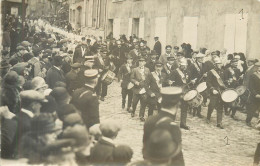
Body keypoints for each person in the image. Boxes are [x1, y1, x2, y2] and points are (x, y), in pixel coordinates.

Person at [143, 86, 185, 166]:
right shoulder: (172, 126)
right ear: (178, 103)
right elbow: (177, 157)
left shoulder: (149, 120)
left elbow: (145, 148)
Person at [169, 58, 197, 130]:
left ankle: (183, 123)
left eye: (185, 66)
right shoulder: (174, 72)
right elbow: (169, 81)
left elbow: (188, 81)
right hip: (177, 92)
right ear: (179, 65)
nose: (184, 67)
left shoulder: (188, 72)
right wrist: (169, 82)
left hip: (185, 92)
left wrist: (192, 81)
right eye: (182, 66)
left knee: (184, 108)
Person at [206, 57, 226, 129]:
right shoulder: (211, 72)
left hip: (221, 91)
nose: (220, 65)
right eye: (218, 64)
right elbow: (208, 82)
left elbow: (224, 81)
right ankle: (208, 117)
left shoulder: (223, 71)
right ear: (215, 64)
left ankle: (219, 122)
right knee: (212, 105)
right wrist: (212, 89)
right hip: (214, 91)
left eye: (220, 63)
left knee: (220, 107)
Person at [130, 57, 151, 122]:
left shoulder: (147, 69)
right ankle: (133, 111)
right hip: (137, 89)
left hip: (144, 89)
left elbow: (149, 78)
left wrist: (148, 84)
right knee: (134, 102)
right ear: (138, 62)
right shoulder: (135, 69)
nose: (141, 63)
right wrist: (135, 82)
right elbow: (131, 78)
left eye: (142, 61)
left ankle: (141, 115)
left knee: (143, 103)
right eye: (140, 61)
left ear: (145, 63)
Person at [246, 62, 260, 126]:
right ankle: (248, 120)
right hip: (255, 95)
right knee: (252, 109)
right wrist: (255, 94)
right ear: (256, 68)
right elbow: (250, 86)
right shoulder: (253, 75)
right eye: (258, 67)